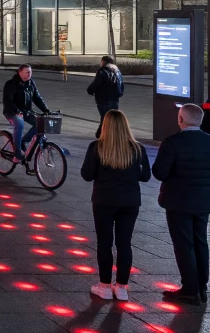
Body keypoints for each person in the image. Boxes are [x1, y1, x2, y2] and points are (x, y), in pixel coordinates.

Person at [153, 103, 210, 306]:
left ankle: (190, 289)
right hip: (203, 200)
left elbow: (159, 172)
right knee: (200, 242)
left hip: (178, 201)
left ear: (181, 119)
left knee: (184, 244)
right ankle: (201, 287)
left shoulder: (172, 142)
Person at [81, 109, 151, 301]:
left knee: (105, 243)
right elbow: (145, 176)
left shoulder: (97, 147)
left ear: (105, 127)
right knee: (124, 243)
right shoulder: (138, 149)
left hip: (104, 200)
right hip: (129, 202)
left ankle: (104, 286)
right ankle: (121, 287)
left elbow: (86, 175)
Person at [2, 64, 51, 162]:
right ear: (20, 72)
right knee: (19, 124)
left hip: (26, 112)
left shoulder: (31, 83)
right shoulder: (11, 84)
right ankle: (17, 153)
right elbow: (8, 100)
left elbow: (37, 98)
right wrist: (17, 111)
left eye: (31, 72)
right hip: (12, 111)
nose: (30, 74)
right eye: (27, 72)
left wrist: (46, 110)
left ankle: (23, 141)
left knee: (41, 124)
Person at [88, 56, 125, 135]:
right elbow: (121, 83)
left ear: (103, 62)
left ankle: (101, 134)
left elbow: (97, 83)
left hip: (103, 98)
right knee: (112, 116)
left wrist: (90, 90)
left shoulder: (103, 71)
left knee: (105, 117)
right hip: (115, 98)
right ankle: (112, 133)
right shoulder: (117, 71)